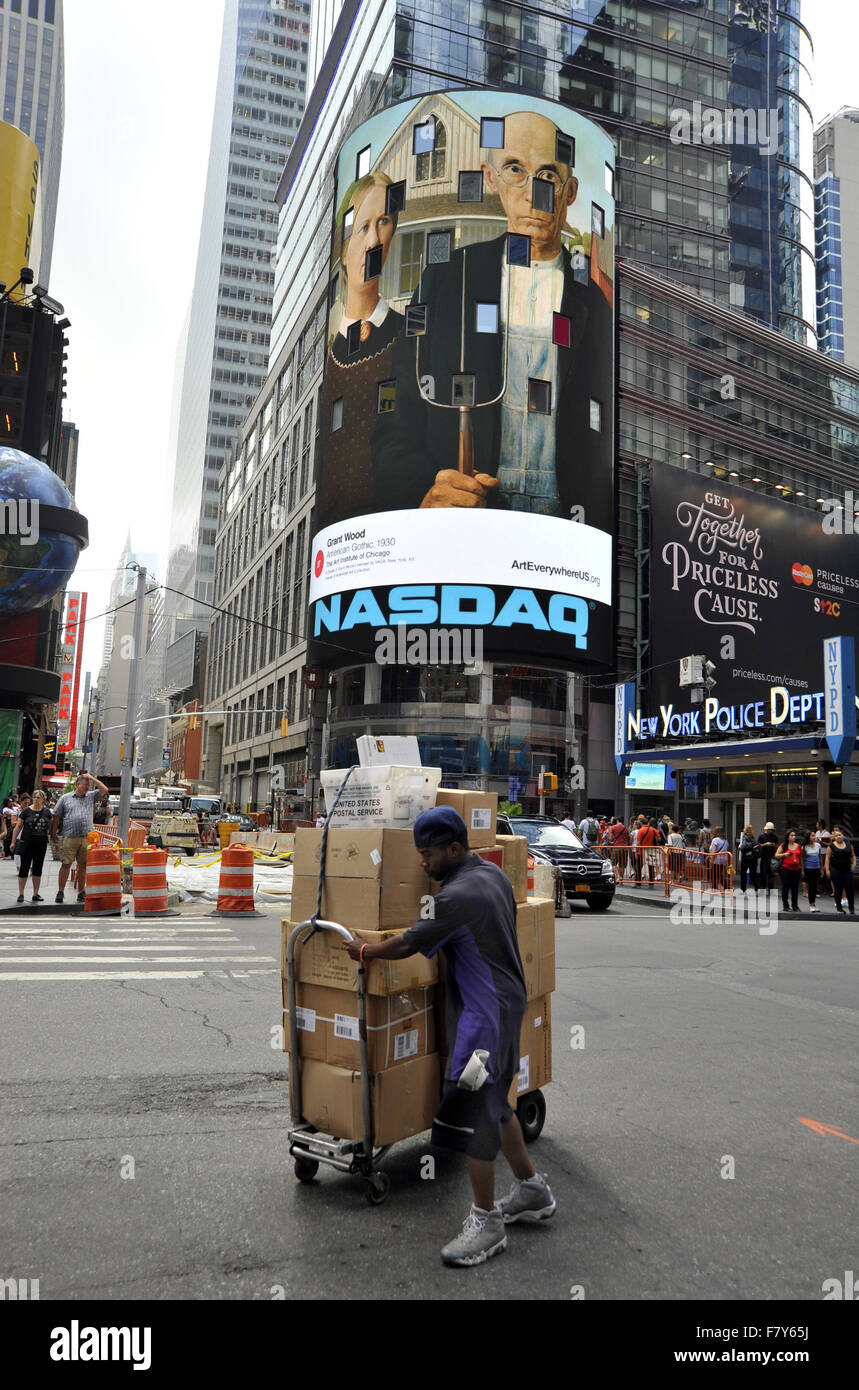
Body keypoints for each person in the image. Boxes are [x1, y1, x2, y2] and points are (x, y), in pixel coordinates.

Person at [372, 109, 613, 525]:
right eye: (515, 169)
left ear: (570, 192)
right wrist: (428, 488)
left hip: (566, 544)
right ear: (490, 178)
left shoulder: (596, 305)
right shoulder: (446, 282)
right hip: (468, 534)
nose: (534, 193)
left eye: (549, 176)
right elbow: (393, 430)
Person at [344, 805, 553, 1266]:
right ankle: (532, 1191)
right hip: (506, 1001)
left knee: (476, 1115)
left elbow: (406, 945)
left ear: (454, 848)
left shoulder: (455, 898)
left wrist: (364, 949)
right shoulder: (492, 876)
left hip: (484, 1016)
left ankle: (487, 1222)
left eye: (428, 854)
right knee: (498, 1106)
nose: (421, 863)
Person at [316, 170, 404, 530]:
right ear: (342, 244)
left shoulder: (409, 337)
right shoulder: (330, 356)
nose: (372, 241)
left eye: (383, 222)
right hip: (338, 550)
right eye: (361, 226)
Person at [49, 771, 109, 904]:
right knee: (66, 864)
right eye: (85, 784)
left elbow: (104, 789)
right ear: (78, 784)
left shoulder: (91, 796)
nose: (88, 787)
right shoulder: (65, 798)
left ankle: (81, 892)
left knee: (83, 866)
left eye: (88, 785)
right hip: (70, 836)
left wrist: (92, 778)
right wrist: (53, 834)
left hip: (86, 837)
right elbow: (56, 816)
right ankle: (60, 891)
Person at [10, 790, 52, 903]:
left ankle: (35, 893)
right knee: (24, 868)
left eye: (39, 797)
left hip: (41, 844)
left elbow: (51, 828)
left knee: (37, 869)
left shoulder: (47, 812)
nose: (36, 799)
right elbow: (18, 827)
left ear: (43, 799)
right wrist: (13, 842)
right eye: (35, 797)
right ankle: (21, 894)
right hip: (27, 843)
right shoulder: (26, 811)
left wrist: (55, 841)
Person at [825, 827, 855, 915]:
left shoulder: (849, 844)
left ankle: (851, 907)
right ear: (834, 837)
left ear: (843, 836)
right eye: (836, 835)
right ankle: (839, 907)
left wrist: (853, 864)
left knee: (849, 888)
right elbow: (827, 859)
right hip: (835, 869)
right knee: (838, 889)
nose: (838, 837)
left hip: (847, 869)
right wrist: (827, 870)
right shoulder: (831, 846)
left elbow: (853, 855)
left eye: (840, 835)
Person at [774, 830, 802, 913]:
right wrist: (784, 854)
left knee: (795, 888)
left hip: (796, 869)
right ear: (788, 837)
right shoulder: (784, 845)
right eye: (792, 835)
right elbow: (776, 855)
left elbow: (800, 857)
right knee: (785, 887)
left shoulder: (798, 846)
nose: (794, 837)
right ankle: (785, 906)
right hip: (785, 869)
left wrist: (801, 868)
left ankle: (795, 906)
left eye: (794, 835)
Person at [802, 830, 821, 914]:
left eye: (814, 835)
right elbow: (802, 859)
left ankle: (814, 904)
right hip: (808, 869)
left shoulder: (818, 845)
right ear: (808, 837)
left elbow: (820, 857)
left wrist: (822, 869)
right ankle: (811, 905)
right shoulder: (804, 847)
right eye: (813, 835)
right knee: (811, 887)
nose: (814, 837)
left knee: (814, 887)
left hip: (816, 868)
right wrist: (802, 870)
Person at [757, 821, 779, 891]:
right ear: (766, 829)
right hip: (764, 857)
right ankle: (762, 888)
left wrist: (774, 845)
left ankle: (771, 889)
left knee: (771, 874)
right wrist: (765, 844)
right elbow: (758, 845)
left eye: (772, 830)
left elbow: (777, 845)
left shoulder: (775, 837)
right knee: (763, 874)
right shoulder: (761, 836)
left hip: (772, 858)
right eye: (769, 830)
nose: (771, 831)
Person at [737, 824, 759, 892]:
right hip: (753, 859)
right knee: (753, 874)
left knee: (743, 874)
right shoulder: (753, 838)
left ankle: (743, 889)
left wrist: (740, 846)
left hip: (745, 859)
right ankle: (757, 887)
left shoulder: (744, 837)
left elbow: (743, 847)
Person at [709, 826, 731, 892]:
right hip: (723, 860)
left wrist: (711, 861)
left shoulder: (715, 840)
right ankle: (726, 887)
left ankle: (715, 888)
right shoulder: (725, 841)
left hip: (716, 860)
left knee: (714, 875)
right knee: (719, 874)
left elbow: (714, 851)